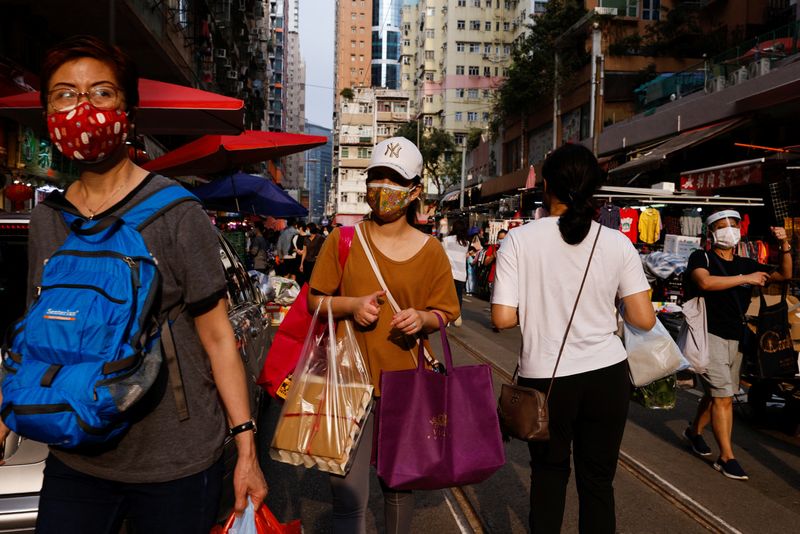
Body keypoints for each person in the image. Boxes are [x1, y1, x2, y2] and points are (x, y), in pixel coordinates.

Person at [0, 36, 266, 533]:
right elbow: (38, 333)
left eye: (100, 93)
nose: (82, 108)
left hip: (174, 463)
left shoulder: (177, 213)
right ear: (47, 113)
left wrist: (246, 448)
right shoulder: (46, 219)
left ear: (129, 112)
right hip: (75, 451)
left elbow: (217, 339)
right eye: (64, 95)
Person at [491, 144, 655, 534]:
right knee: (598, 483)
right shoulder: (617, 243)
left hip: (545, 381)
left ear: (546, 186)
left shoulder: (518, 240)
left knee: (548, 478)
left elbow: (502, 318)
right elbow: (643, 320)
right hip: (606, 377)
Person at [307, 136, 459, 534]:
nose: (382, 189)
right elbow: (314, 302)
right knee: (347, 496)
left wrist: (424, 319)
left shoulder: (432, 251)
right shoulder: (342, 241)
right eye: (376, 178)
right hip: (347, 383)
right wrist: (350, 305)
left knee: (397, 491)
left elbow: (446, 312)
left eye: (394, 180)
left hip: (405, 385)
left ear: (414, 191)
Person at [683, 210, 791, 481]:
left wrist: (785, 245)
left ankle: (694, 432)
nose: (729, 231)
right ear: (711, 233)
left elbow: (783, 275)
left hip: (737, 337)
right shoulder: (702, 257)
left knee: (718, 393)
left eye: (733, 226)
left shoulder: (745, 262)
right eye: (722, 227)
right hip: (709, 335)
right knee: (723, 397)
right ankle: (727, 457)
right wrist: (746, 278)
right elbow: (704, 282)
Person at [442, 219, 469, 327]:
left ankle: (447, 318)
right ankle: (457, 315)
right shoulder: (466, 243)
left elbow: (442, 254)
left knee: (448, 296)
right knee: (458, 296)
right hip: (461, 274)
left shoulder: (446, 240)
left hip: (449, 273)